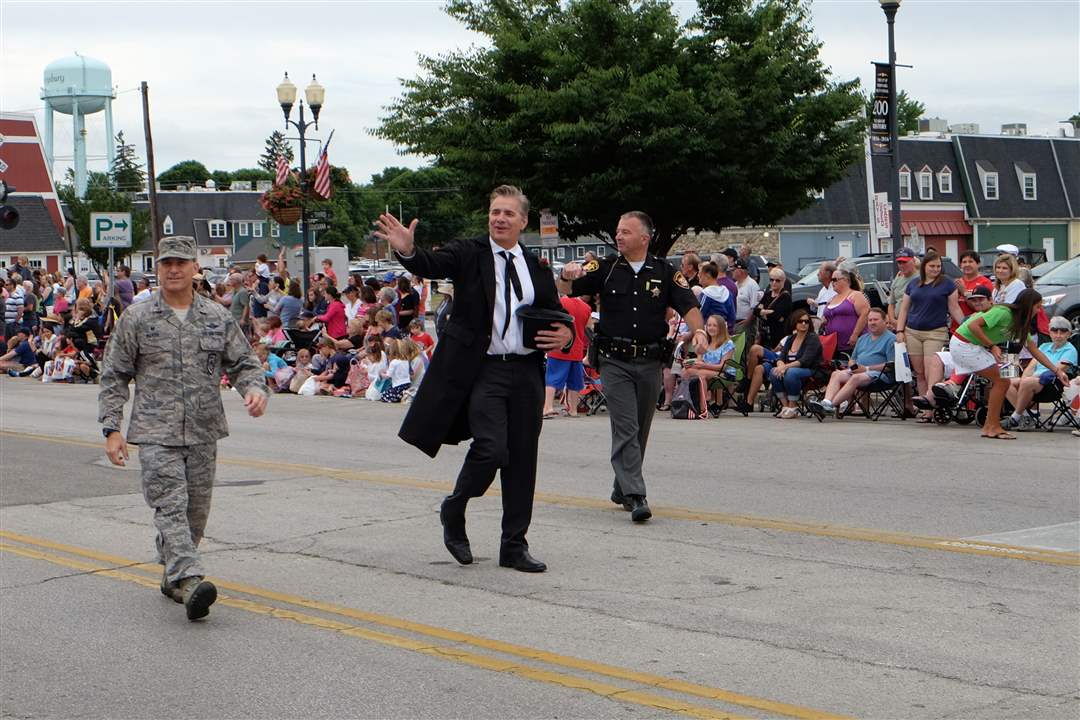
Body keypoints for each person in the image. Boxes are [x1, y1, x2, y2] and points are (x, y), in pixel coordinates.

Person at [375, 185, 573, 573]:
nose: (499, 218)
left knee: (522, 459)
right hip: (485, 369)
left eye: (508, 213)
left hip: (527, 370)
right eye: (494, 211)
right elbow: (431, 264)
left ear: (523, 221)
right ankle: (455, 506)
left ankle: (514, 545)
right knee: (492, 448)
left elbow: (555, 312)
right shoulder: (470, 253)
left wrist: (565, 334)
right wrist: (409, 251)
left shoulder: (535, 266)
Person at [98, 236, 268, 621]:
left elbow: (243, 362)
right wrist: (111, 428)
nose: (173, 270)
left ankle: (172, 574)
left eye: (181, 263)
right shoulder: (137, 318)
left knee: (194, 516)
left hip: (204, 430)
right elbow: (114, 376)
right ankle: (190, 579)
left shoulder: (216, 316)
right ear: (157, 268)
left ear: (195, 269)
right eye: (166, 263)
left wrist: (255, 390)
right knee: (169, 506)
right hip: (156, 432)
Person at [558, 211, 704, 523]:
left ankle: (620, 486)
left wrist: (701, 331)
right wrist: (566, 275)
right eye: (617, 231)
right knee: (625, 425)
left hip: (650, 360)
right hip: (614, 361)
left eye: (626, 231)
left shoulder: (664, 271)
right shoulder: (606, 268)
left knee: (641, 427)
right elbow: (565, 288)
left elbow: (688, 304)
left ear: (644, 238)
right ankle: (636, 495)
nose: (619, 236)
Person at [949, 289, 1067, 440]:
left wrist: (1057, 371)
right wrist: (992, 346)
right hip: (963, 343)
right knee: (1002, 380)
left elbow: (1034, 351)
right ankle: (992, 426)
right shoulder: (1004, 312)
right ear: (1029, 305)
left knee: (1003, 380)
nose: (1039, 310)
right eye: (1038, 306)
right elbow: (973, 326)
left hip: (975, 346)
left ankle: (990, 426)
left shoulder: (1020, 324)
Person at [894, 250, 965, 421]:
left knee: (930, 370)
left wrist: (965, 325)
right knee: (919, 373)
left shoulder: (947, 284)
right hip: (912, 331)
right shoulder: (914, 284)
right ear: (924, 266)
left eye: (938, 266)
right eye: (932, 266)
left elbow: (954, 308)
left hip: (935, 331)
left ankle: (933, 402)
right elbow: (904, 308)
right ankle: (926, 409)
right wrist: (900, 330)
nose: (935, 269)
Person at [809, 308, 896, 416]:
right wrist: (853, 365)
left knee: (855, 378)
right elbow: (853, 358)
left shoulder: (891, 339)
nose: (872, 322)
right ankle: (826, 402)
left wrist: (867, 369)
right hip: (858, 372)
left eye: (875, 320)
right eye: (870, 320)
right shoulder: (863, 338)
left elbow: (891, 365)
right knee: (836, 374)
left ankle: (830, 406)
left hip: (879, 375)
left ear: (884, 321)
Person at [1002, 315, 1077, 431]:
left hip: (1052, 383)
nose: (1058, 335)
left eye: (1063, 332)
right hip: (1034, 381)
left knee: (1027, 382)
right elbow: (1031, 367)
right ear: (1049, 332)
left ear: (1069, 334)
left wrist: (1028, 379)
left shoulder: (1070, 350)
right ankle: (1027, 416)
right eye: (1054, 331)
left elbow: (1058, 370)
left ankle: (1016, 417)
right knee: (1004, 382)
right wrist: (1025, 378)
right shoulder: (1044, 346)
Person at [542, 292, 593, 418]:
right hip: (577, 350)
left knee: (552, 379)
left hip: (559, 347)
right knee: (575, 382)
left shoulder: (560, 302)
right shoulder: (587, 308)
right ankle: (573, 410)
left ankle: (547, 407)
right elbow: (589, 329)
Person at [768, 309, 822, 418]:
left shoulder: (812, 338)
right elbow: (781, 356)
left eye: (806, 322)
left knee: (791, 373)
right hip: (793, 369)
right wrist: (780, 366)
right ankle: (785, 406)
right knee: (773, 371)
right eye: (800, 321)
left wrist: (785, 367)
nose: (803, 324)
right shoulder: (790, 338)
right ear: (794, 323)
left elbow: (805, 361)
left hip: (811, 370)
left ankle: (793, 407)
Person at [681, 314, 736, 416]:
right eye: (709, 325)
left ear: (721, 328)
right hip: (708, 370)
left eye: (714, 325)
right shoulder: (706, 342)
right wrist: (690, 362)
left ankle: (702, 408)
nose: (711, 328)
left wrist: (702, 365)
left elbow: (723, 367)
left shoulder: (728, 344)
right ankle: (686, 403)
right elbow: (700, 361)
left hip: (725, 374)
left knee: (701, 375)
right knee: (685, 370)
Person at [821, 267, 870, 355]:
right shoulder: (832, 299)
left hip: (851, 344)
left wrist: (855, 335)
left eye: (834, 279)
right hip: (832, 344)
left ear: (845, 280)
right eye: (831, 280)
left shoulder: (855, 295)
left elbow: (864, 315)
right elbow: (825, 318)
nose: (832, 282)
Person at [753, 267, 793, 349]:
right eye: (772, 280)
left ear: (783, 281)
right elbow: (756, 310)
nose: (774, 282)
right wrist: (767, 312)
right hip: (765, 334)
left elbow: (776, 316)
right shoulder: (768, 294)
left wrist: (763, 311)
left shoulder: (785, 296)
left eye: (777, 280)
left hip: (779, 335)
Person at [696, 261, 735, 333]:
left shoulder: (706, 294)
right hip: (725, 332)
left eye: (700, 276)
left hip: (710, 333)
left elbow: (699, 315)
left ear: (707, 276)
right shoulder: (727, 293)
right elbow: (732, 316)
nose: (699, 280)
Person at [885, 249, 919, 329]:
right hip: (897, 324)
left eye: (905, 262)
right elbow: (891, 303)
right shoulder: (898, 277)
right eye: (899, 262)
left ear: (913, 261)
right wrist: (892, 320)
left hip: (913, 325)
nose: (902, 265)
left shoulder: (920, 279)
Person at [955, 250, 993, 320]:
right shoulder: (958, 282)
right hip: (955, 328)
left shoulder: (985, 283)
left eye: (970, 261)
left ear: (978, 264)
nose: (967, 264)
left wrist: (964, 292)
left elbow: (983, 309)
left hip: (973, 326)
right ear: (960, 265)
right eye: (964, 262)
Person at [806, 261, 837, 328]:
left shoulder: (836, 291)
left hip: (830, 327)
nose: (817, 274)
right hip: (820, 327)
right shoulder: (823, 290)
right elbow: (818, 307)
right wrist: (813, 304)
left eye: (820, 272)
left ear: (828, 274)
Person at [732, 258, 760, 326]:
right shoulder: (735, 284)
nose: (731, 272)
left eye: (733, 270)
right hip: (735, 323)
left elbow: (755, 307)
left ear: (740, 271)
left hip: (746, 323)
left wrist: (748, 321)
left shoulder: (752, 285)